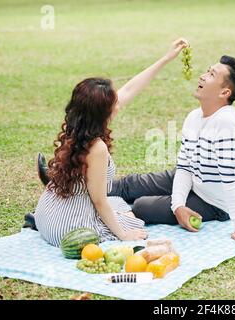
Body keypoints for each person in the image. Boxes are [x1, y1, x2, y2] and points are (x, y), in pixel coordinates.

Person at [35, 54, 235, 244]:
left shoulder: (227, 126)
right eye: (207, 71)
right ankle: (73, 180)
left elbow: (230, 182)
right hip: (193, 179)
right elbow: (185, 167)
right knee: (129, 185)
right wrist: (178, 203)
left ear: (224, 93)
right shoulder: (194, 117)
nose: (202, 75)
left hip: (214, 201)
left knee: (142, 206)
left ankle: (74, 184)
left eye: (211, 75)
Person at [33, 38, 189, 247]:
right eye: (115, 102)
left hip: (47, 214)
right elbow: (98, 201)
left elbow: (131, 88)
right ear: (104, 112)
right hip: (69, 227)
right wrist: (123, 235)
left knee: (117, 203)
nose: (119, 102)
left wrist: (166, 58)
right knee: (131, 219)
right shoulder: (97, 148)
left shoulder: (77, 124)